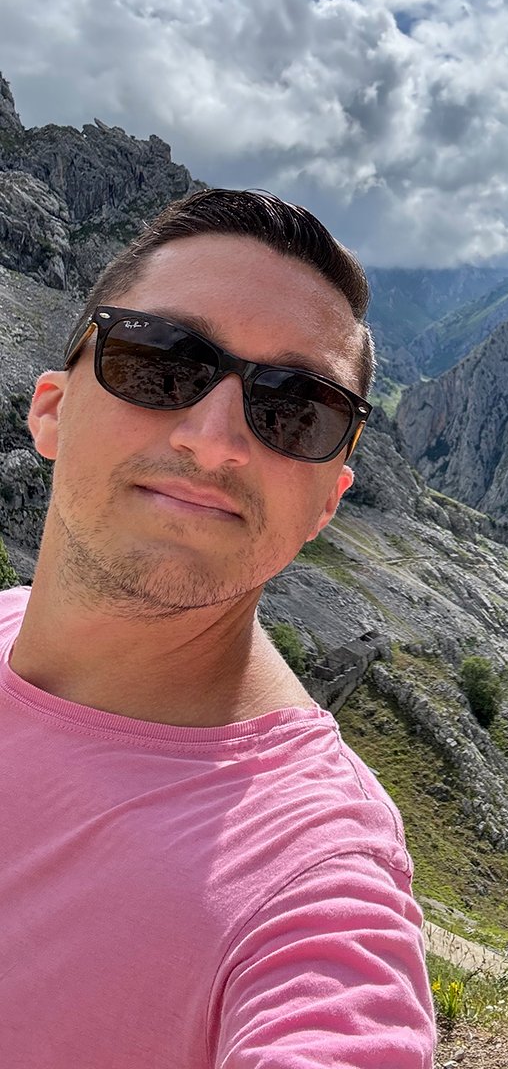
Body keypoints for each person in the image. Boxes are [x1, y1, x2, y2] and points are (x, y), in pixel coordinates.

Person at [0, 189, 436, 1067]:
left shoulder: (313, 881)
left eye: (295, 411)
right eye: (160, 361)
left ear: (328, 501)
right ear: (51, 408)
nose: (215, 439)